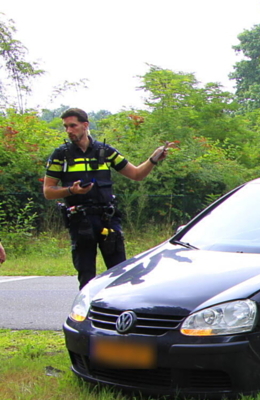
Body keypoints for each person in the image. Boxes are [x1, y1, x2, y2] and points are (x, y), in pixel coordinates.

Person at [42, 108, 177, 288]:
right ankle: (88, 307)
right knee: (86, 275)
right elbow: (48, 191)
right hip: (80, 220)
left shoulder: (105, 151)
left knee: (119, 274)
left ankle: (118, 306)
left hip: (107, 218)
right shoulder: (61, 155)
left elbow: (136, 174)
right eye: (66, 126)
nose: (69, 130)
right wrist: (72, 191)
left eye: (73, 126)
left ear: (85, 125)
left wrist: (153, 159)